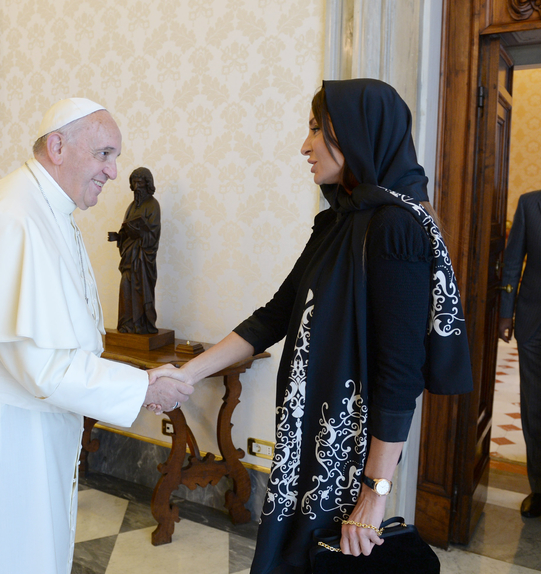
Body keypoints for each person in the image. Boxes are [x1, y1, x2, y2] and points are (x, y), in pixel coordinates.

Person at [150, 79, 473, 573]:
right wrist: (187, 374)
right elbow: (272, 317)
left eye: (318, 130)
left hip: (346, 459)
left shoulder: (395, 227)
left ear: (359, 134)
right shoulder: (339, 222)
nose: (305, 145)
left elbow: (399, 375)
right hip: (308, 439)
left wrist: (374, 496)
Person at [0, 98, 193, 574]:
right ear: (58, 146)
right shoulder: (15, 217)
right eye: (104, 155)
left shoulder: (43, 206)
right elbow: (42, 366)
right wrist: (143, 386)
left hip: (14, 421)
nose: (113, 171)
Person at [498, 189, 541, 518]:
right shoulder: (530, 204)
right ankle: (538, 490)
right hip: (534, 325)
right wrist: (505, 314)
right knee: (534, 409)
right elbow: (513, 262)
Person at [108, 166, 161, 334]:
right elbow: (126, 231)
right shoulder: (131, 207)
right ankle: (127, 324)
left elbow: (153, 236)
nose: (137, 187)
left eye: (140, 183)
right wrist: (118, 237)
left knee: (141, 291)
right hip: (129, 259)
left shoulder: (153, 205)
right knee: (125, 288)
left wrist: (140, 233)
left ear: (147, 184)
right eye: (134, 183)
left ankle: (141, 325)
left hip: (143, 261)